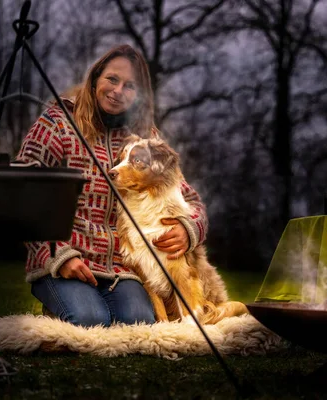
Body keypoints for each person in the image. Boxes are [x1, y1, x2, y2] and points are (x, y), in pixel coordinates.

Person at [16, 44, 208, 327]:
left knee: (138, 320)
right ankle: (61, 304)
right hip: (63, 259)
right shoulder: (57, 123)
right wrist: (58, 255)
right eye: (112, 79)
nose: (118, 91)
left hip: (123, 269)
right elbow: (21, 192)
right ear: (95, 79)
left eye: (130, 86)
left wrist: (189, 228)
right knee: (90, 319)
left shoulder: (144, 137)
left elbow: (191, 200)